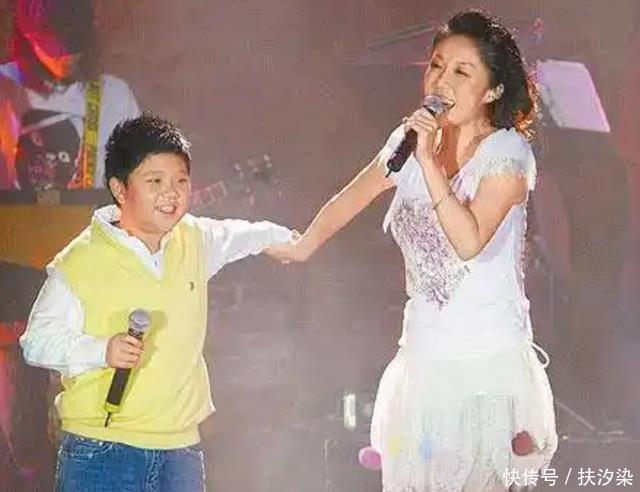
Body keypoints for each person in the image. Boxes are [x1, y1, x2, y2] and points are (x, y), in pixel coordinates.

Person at [274, 10, 557, 491]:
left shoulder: (507, 155)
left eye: (461, 71)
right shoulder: (406, 143)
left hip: (485, 364)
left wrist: (428, 162)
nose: (441, 81)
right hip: (424, 358)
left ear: (492, 91)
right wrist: (303, 245)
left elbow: (468, 242)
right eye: (437, 65)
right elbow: (352, 197)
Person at [19, 113, 295, 491]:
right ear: (120, 189)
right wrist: (102, 350)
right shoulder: (80, 261)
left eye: (180, 180)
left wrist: (288, 241)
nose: (172, 193)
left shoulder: (194, 238)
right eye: (155, 182)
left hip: (181, 451)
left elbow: (243, 234)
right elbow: (36, 341)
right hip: (102, 450)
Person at [0, 0, 140, 190]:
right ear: (29, 38)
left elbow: (137, 185)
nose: (64, 56)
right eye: (51, 46)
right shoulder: (4, 86)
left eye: (73, 43)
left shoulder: (115, 97)